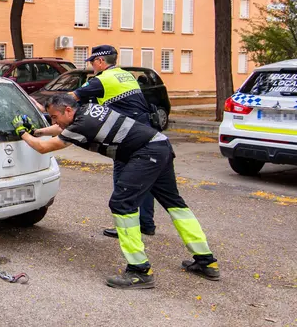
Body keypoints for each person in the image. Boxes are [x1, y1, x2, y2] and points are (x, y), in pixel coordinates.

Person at [12, 94, 220, 288]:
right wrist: (38, 131)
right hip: (159, 145)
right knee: (174, 204)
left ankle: (139, 271)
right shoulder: (87, 110)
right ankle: (206, 261)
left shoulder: (82, 124)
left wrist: (22, 133)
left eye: (55, 117)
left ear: (67, 110)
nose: (54, 122)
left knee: (122, 204)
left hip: (146, 153)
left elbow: (43, 147)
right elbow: (63, 129)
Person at [34, 45, 157, 238]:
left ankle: (125, 226)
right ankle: (146, 224)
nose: (91, 66)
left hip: (126, 136)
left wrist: (43, 107)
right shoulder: (125, 75)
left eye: (92, 62)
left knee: (122, 180)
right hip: (146, 132)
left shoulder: (102, 80)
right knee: (143, 179)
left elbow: (68, 101)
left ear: (100, 61)